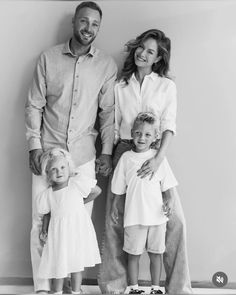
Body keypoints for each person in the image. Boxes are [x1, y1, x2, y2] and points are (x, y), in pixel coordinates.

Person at [25, 1, 117, 293]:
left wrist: (105, 152)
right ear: (74, 22)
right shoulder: (48, 58)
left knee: (76, 227)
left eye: (95, 24)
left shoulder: (106, 65)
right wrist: (34, 146)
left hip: (83, 158)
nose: (89, 28)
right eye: (84, 21)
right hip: (48, 155)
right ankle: (43, 287)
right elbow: (34, 105)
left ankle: (70, 288)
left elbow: (108, 114)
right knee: (42, 222)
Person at [98, 29, 192, 294]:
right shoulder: (120, 85)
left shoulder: (166, 86)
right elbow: (113, 126)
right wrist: (107, 154)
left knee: (174, 220)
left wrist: (158, 159)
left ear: (158, 58)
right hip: (124, 152)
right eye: (141, 47)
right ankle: (117, 287)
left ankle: (177, 287)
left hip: (154, 153)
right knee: (117, 221)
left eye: (150, 51)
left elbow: (169, 126)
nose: (143, 53)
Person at [111, 112, 178, 295]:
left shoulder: (158, 158)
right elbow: (118, 187)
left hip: (157, 217)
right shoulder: (126, 159)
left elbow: (168, 185)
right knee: (133, 254)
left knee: (156, 254)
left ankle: (156, 288)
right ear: (132, 133)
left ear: (155, 137)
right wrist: (115, 205)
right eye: (139, 133)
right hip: (134, 217)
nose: (142, 137)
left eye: (148, 134)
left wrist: (170, 200)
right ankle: (133, 288)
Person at [36, 148, 101, 295]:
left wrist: (80, 201)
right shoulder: (49, 193)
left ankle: (76, 292)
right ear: (48, 173)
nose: (59, 172)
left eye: (63, 167)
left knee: (76, 265)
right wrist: (44, 229)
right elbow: (47, 213)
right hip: (59, 234)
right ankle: (57, 291)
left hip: (76, 231)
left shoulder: (75, 184)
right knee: (59, 266)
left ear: (69, 167)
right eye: (54, 169)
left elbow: (97, 191)